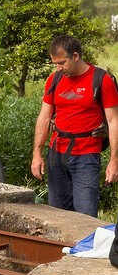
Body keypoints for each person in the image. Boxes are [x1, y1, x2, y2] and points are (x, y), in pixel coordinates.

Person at [31, 34, 118, 216]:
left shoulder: (102, 80)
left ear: (76, 56)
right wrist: (36, 154)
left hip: (86, 157)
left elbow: (113, 121)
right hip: (56, 155)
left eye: (62, 63)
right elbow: (44, 117)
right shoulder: (55, 79)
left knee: (85, 218)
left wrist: (114, 161)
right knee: (58, 215)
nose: (58, 68)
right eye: (55, 63)